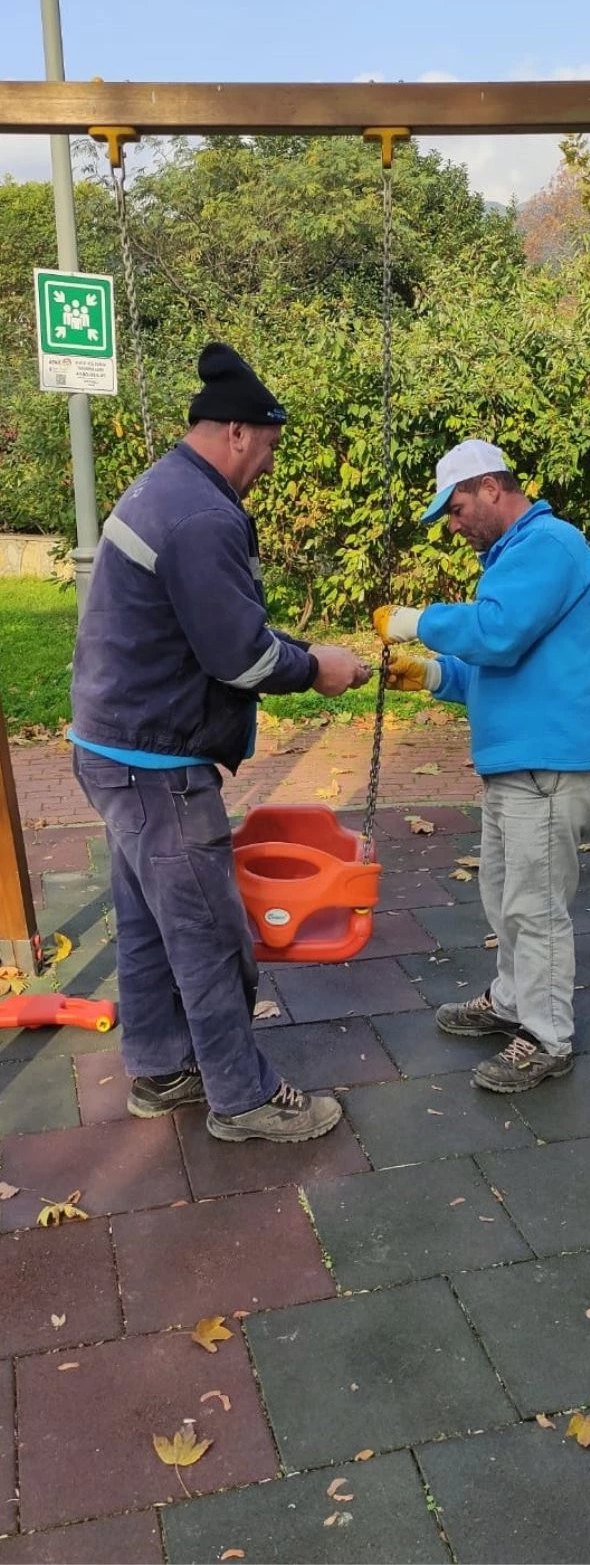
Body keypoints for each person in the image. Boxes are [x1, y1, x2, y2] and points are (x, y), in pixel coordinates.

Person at [70, 343, 371, 1142]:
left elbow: (212, 626)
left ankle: (163, 1069)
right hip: (154, 762)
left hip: (112, 743)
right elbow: (239, 656)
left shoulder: (164, 485)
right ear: (237, 433)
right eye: (269, 448)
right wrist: (320, 668)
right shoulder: (202, 514)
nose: (268, 465)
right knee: (208, 930)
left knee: (146, 921)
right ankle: (242, 1096)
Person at [373, 437, 590, 1093]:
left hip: (549, 764)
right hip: (515, 764)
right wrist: (432, 674)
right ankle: (512, 1001)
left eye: (454, 510)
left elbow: (497, 633)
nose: (452, 526)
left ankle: (547, 1035)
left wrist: (417, 621)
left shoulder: (550, 545)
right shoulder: (513, 557)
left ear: (489, 488)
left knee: (534, 906)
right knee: (504, 897)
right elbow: (494, 663)